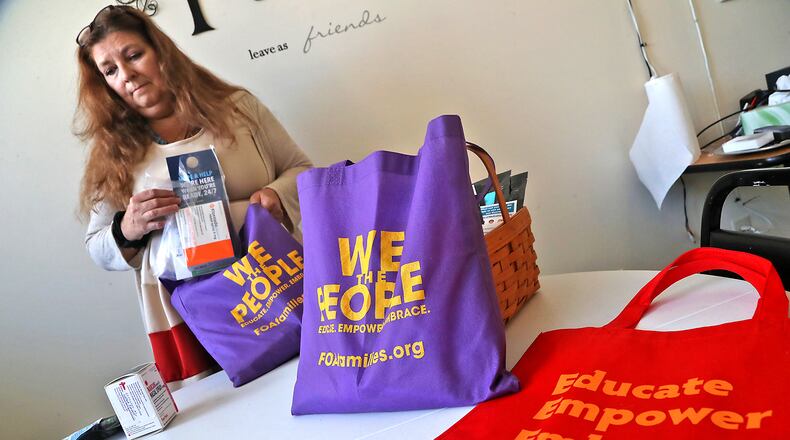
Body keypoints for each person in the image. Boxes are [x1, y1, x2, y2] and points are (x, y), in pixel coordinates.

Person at [74, 5, 312, 388]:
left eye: (134, 55)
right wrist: (128, 228)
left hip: (279, 279)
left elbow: (303, 170)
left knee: (313, 378)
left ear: (161, 50)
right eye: (110, 70)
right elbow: (96, 246)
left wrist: (276, 195)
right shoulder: (113, 152)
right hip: (187, 312)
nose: (127, 75)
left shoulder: (239, 109)